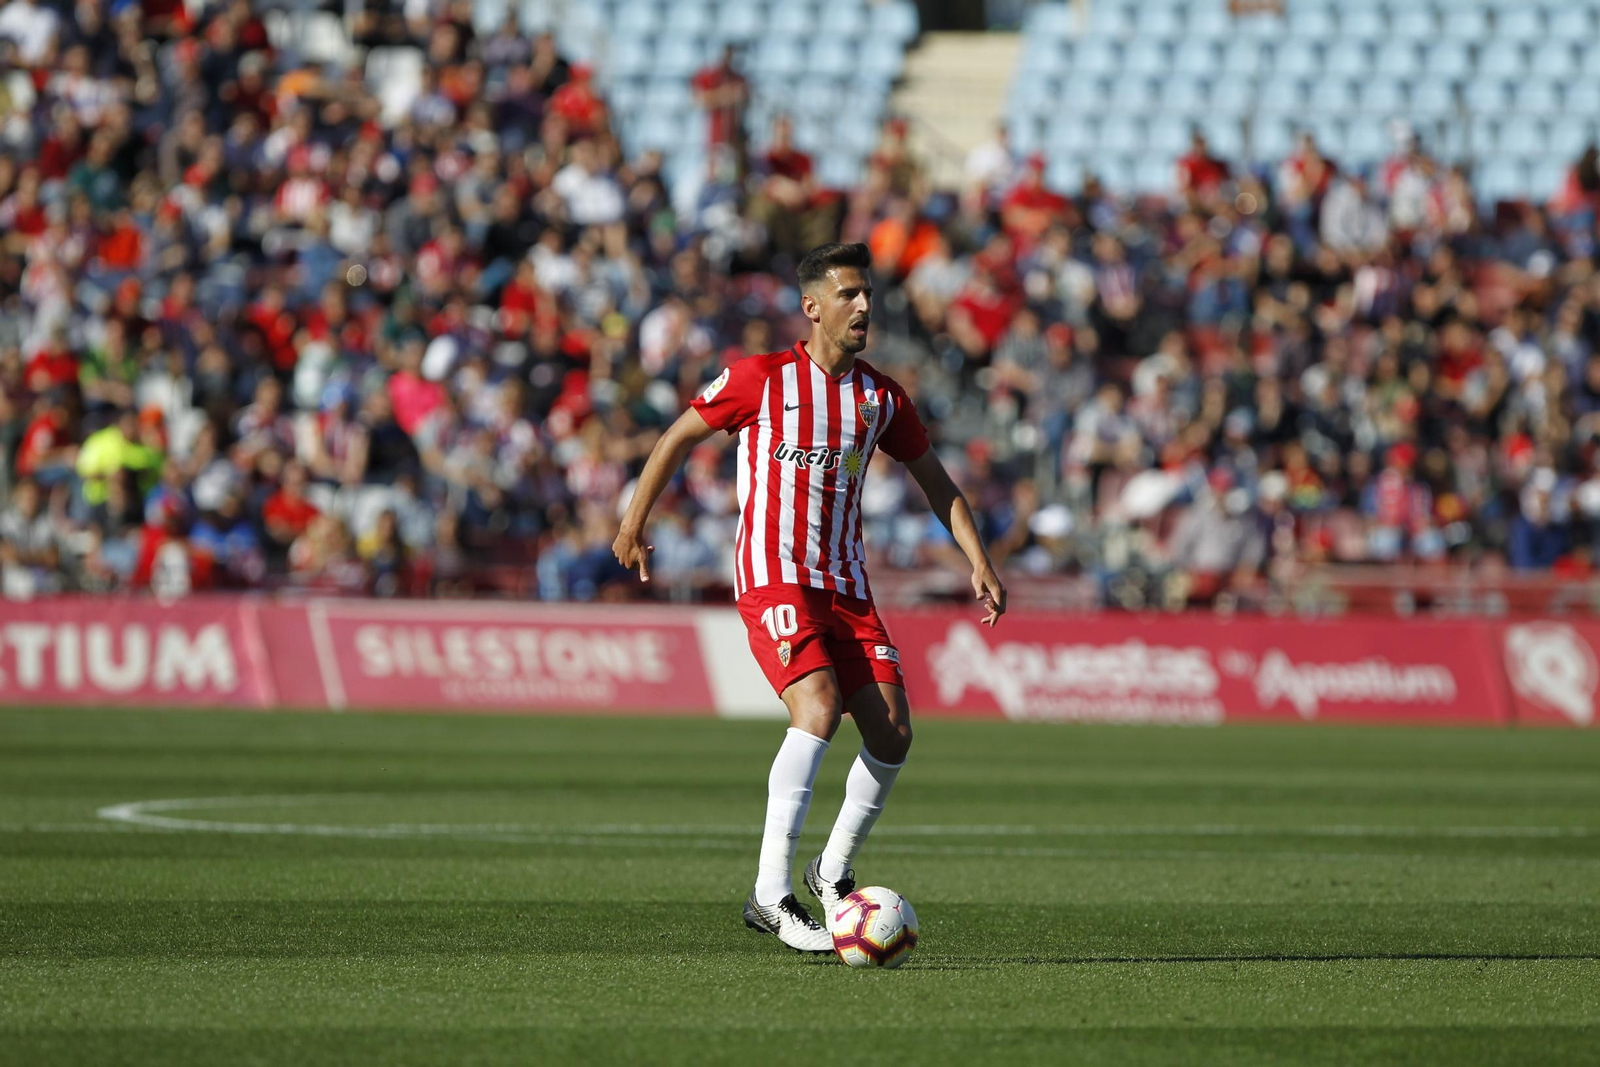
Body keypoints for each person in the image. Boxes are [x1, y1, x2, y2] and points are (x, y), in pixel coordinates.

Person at [612, 243, 1007, 953]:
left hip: (846, 585)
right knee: (818, 707)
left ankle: (830, 870)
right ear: (813, 306)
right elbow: (677, 436)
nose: (864, 306)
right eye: (849, 293)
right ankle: (770, 896)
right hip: (774, 575)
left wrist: (978, 559)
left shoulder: (880, 398)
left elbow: (936, 481)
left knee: (892, 732)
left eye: (868, 294)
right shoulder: (760, 379)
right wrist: (633, 523)